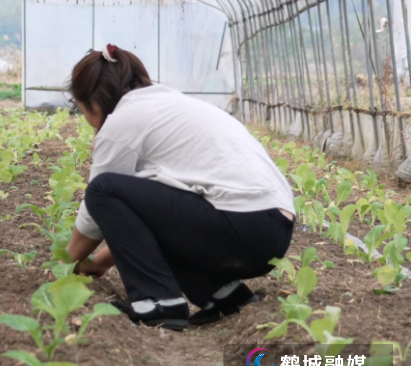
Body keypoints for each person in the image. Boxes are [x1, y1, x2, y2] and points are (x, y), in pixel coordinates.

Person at [65, 44, 295, 331]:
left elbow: (93, 213)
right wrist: (101, 262)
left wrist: (65, 264)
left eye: (82, 110)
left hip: (242, 225)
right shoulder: (168, 105)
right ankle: (223, 294)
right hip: (270, 231)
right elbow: (159, 215)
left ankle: (158, 303)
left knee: (102, 189)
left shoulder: (123, 120)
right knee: (150, 194)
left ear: (93, 104)